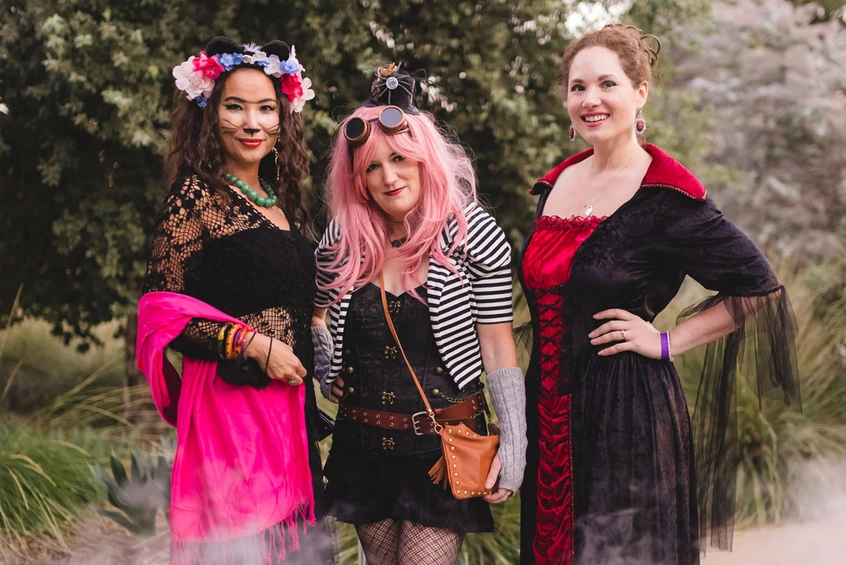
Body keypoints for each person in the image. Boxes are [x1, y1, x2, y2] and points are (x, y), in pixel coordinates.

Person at [518, 24, 800, 565]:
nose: (590, 100)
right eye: (578, 88)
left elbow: (757, 284)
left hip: (627, 417)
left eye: (607, 84)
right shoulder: (554, 187)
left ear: (639, 91)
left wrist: (667, 342)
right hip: (549, 413)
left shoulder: (667, 194)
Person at [311, 64, 527, 565]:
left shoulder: (472, 234)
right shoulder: (342, 241)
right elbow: (314, 313)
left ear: (424, 158)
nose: (389, 177)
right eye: (371, 167)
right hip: (362, 444)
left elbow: (497, 344)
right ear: (356, 177)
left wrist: (513, 448)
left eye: (401, 159)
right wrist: (327, 367)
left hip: (440, 451)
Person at [135, 37, 333, 564]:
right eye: (235, 106)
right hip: (230, 416)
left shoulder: (283, 202)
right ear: (209, 113)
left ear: (281, 118)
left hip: (291, 414)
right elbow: (161, 311)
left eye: (266, 108)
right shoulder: (194, 197)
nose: (253, 122)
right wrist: (251, 345)